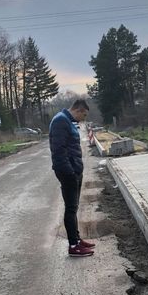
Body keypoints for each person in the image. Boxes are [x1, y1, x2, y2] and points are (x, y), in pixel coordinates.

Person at [49, 99, 95, 257]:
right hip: (68, 173)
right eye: (84, 115)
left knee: (73, 207)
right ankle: (73, 246)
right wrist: (70, 172)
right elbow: (58, 151)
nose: (84, 119)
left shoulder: (67, 121)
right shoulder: (60, 121)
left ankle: (77, 239)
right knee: (70, 208)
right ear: (78, 110)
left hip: (74, 170)